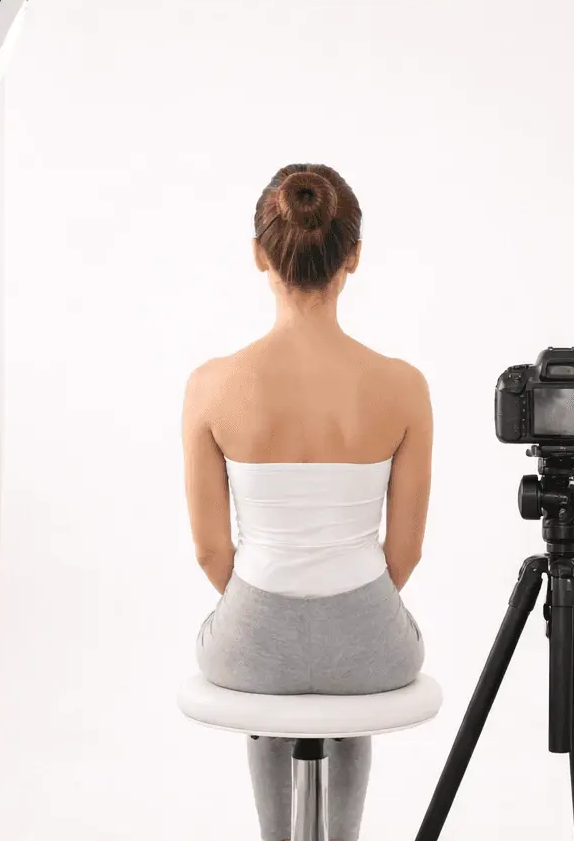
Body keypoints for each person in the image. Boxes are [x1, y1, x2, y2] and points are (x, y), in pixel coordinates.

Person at [182, 163, 433, 841]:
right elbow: (403, 552)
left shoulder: (211, 385)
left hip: (251, 639)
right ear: (353, 256)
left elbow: (211, 551)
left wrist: (273, 615)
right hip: (372, 640)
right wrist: (347, 612)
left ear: (259, 253)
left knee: (270, 682)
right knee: (348, 692)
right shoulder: (403, 386)